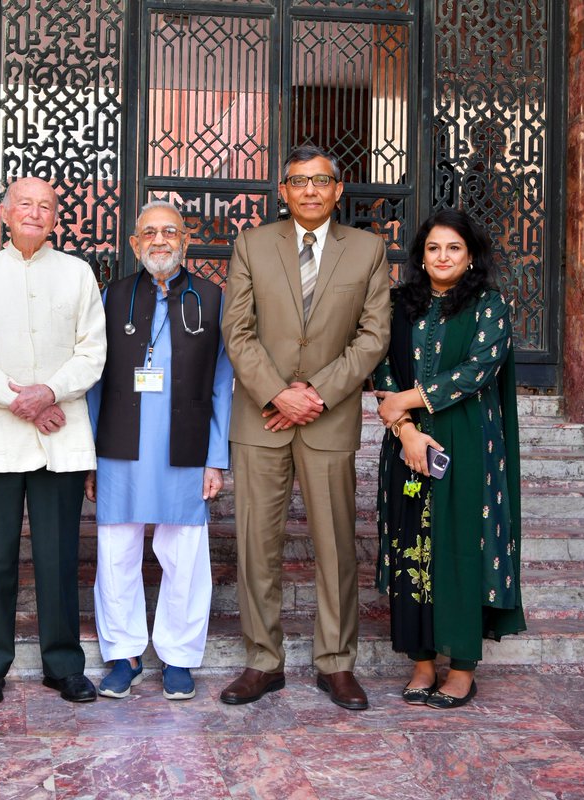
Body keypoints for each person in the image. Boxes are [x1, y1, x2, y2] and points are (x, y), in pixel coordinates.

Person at [220, 145, 391, 709]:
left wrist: (316, 394)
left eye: (321, 181)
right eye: (299, 182)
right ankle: (262, 662)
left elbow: (373, 336)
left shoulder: (368, 250)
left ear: (339, 190)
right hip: (260, 418)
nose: (311, 191)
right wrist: (276, 393)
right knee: (256, 547)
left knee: (337, 546)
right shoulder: (251, 245)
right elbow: (237, 331)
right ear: (283, 191)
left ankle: (335, 665)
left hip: (330, 417)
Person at [0, 177, 107, 705]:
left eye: (46, 206)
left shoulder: (78, 274)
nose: (35, 213)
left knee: (59, 558)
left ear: (56, 218)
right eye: (25, 204)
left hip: (61, 439)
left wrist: (51, 392)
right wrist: (23, 402)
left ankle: (62, 665)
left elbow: (93, 352)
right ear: (5, 213)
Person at [372, 208, 525, 709]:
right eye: (433, 248)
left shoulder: (489, 305)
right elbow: (382, 365)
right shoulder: (399, 304)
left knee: (460, 548)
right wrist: (405, 430)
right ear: (420, 255)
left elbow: (478, 368)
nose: (442, 257)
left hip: (468, 444)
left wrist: (403, 403)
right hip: (407, 445)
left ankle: (461, 668)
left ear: (470, 255)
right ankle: (420, 663)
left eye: (454, 248)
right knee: (412, 547)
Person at [85, 201, 234, 701]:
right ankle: (124, 653)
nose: (160, 240)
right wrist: (89, 454)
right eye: (149, 232)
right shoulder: (112, 295)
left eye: (170, 231)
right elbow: (94, 380)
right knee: (117, 552)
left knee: (184, 554)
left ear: (186, 239)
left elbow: (222, 383)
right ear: (134, 244)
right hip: (119, 444)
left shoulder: (213, 298)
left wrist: (217, 457)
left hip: (186, 444)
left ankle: (178, 655)